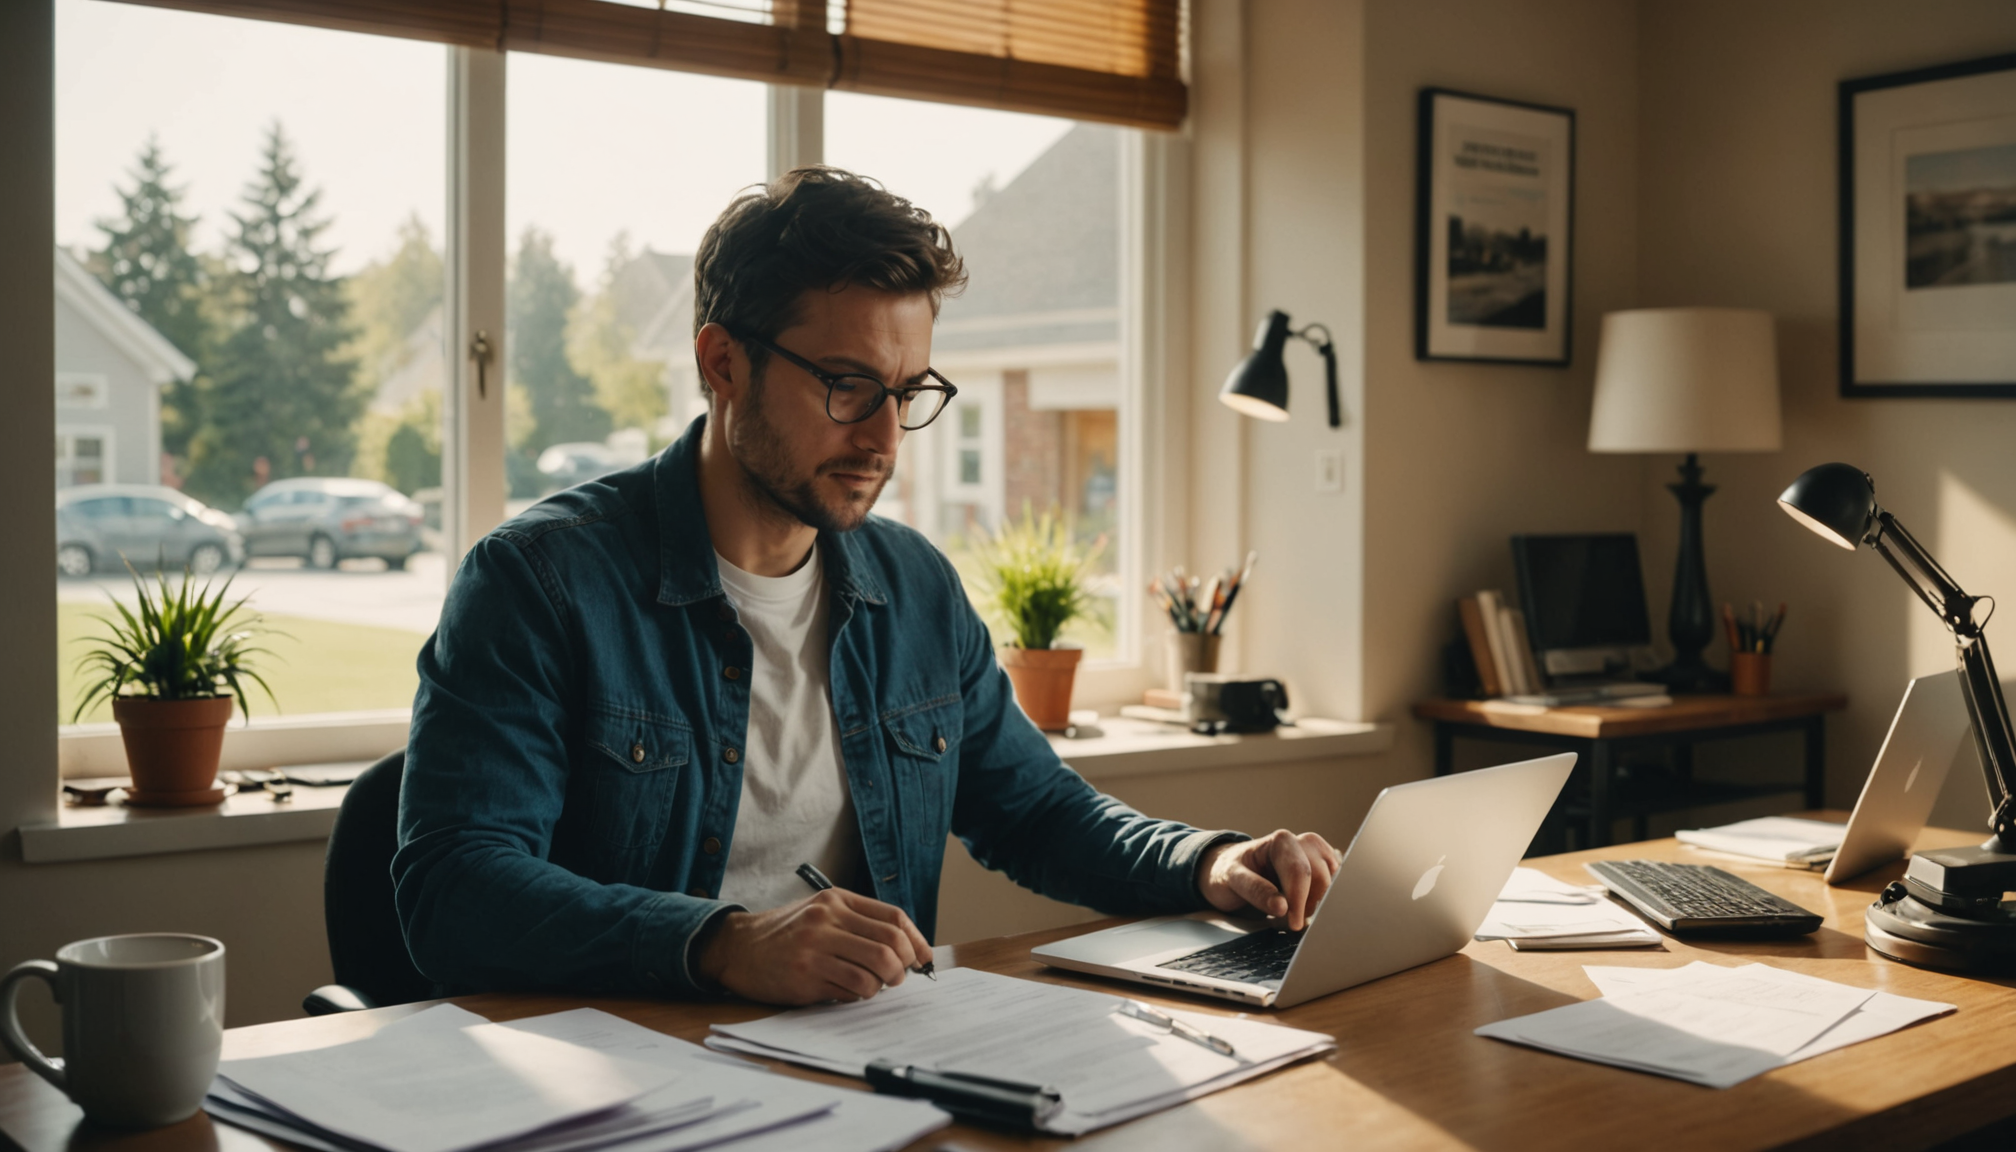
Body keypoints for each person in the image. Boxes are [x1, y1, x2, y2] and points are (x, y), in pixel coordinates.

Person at [395, 168, 1341, 1007]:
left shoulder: (913, 587)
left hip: (858, 1067)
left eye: (908, 392)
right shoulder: (540, 581)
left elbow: (1038, 810)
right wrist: (721, 942)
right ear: (721, 362)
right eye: (846, 385)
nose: (886, 438)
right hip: (611, 1079)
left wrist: (1211, 862)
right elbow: (456, 885)